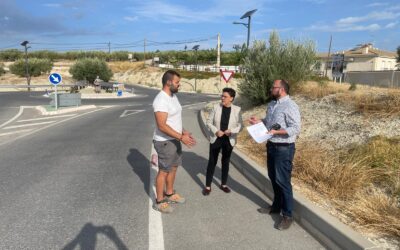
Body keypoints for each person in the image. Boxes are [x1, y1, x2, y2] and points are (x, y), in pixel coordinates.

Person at [249, 79, 301, 230]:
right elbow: (269, 122)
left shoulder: (290, 105)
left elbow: (296, 128)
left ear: (282, 89)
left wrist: (277, 132)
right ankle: (276, 207)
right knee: (274, 178)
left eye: (274, 87)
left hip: (284, 148)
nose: (271, 89)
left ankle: (288, 215)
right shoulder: (272, 105)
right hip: (271, 145)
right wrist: (260, 121)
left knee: (283, 181)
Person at [152, 70, 196, 213]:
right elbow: (162, 125)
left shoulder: (172, 97)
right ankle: (159, 201)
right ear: (169, 82)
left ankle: (170, 193)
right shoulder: (161, 100)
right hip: (165, 142)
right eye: (177, 82)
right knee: (164, 171)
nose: (179, 85)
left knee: (174, 167)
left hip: (175, 139)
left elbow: (174, 119)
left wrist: (183, 132)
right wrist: (180, 137)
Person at [203, 88, 243, 195]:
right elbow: (208, 122)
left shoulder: (237, 110)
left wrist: (232, 131)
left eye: (225, 96)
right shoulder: (216, 107)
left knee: (225, 162)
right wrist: (216, 131)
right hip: (216, 138)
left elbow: (240, 126)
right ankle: (207, 186)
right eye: (222, 96)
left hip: (229, 139)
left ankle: (223, 184)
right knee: (212, 162)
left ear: (231, 98)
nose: (222, 98)